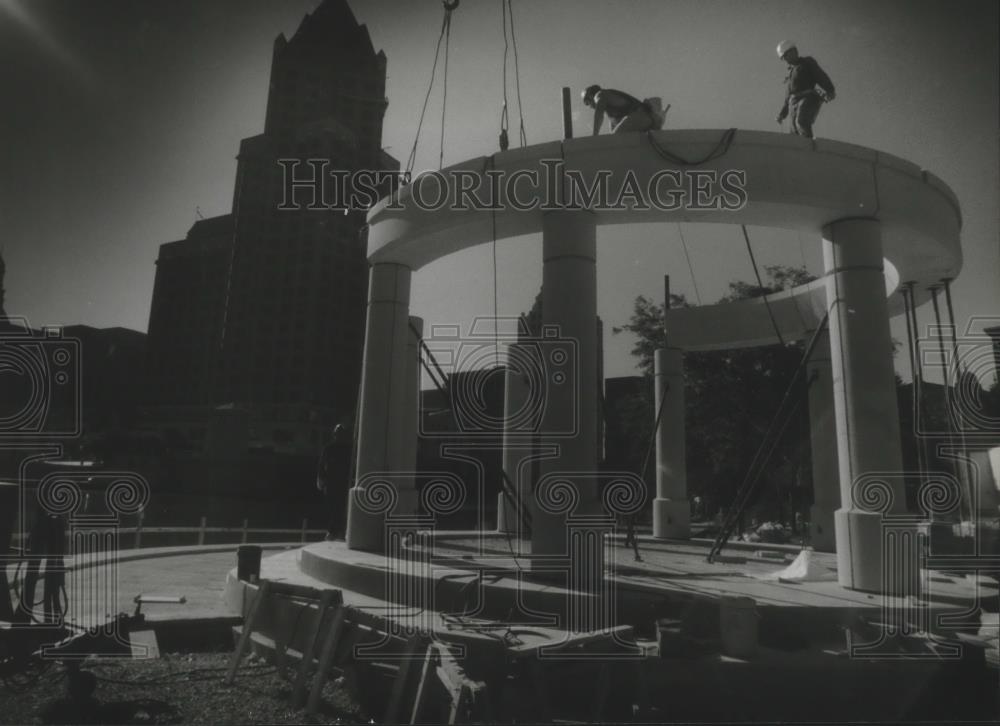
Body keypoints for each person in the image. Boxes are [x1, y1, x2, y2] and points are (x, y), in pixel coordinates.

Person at [775, 41, 835, 139]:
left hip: (807, 98)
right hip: (793, 103)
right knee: (793, 130)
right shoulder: (791, 73)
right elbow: (788, 96)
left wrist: (830, 89)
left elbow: (819, 75)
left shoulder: (806, 62)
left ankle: (807, 145)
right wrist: (782, 114)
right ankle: (797, 151)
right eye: (783, 58)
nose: (785, 60)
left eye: (786, 56)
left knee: (801, 121)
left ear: (794, 51)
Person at [316, 424, 352, 540]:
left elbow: (322, 466)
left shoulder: (346, 449)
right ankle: (334, 530)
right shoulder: (330, 448)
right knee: (334, 507)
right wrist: (321, 479)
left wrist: (321, 479)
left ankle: (336, 530)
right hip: (333, 482)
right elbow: (322, 465)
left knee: (339, 507)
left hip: (340, 482)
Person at [582, 85, 665, 135]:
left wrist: (594, 136)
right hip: (649, 119)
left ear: (590, 96)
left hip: (642, 115)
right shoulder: (612, 114)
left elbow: (598, 115)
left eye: (586, 102)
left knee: (615, 139)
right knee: (615, 139)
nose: (589, 107)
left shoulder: (600, 95)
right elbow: (613, 133)